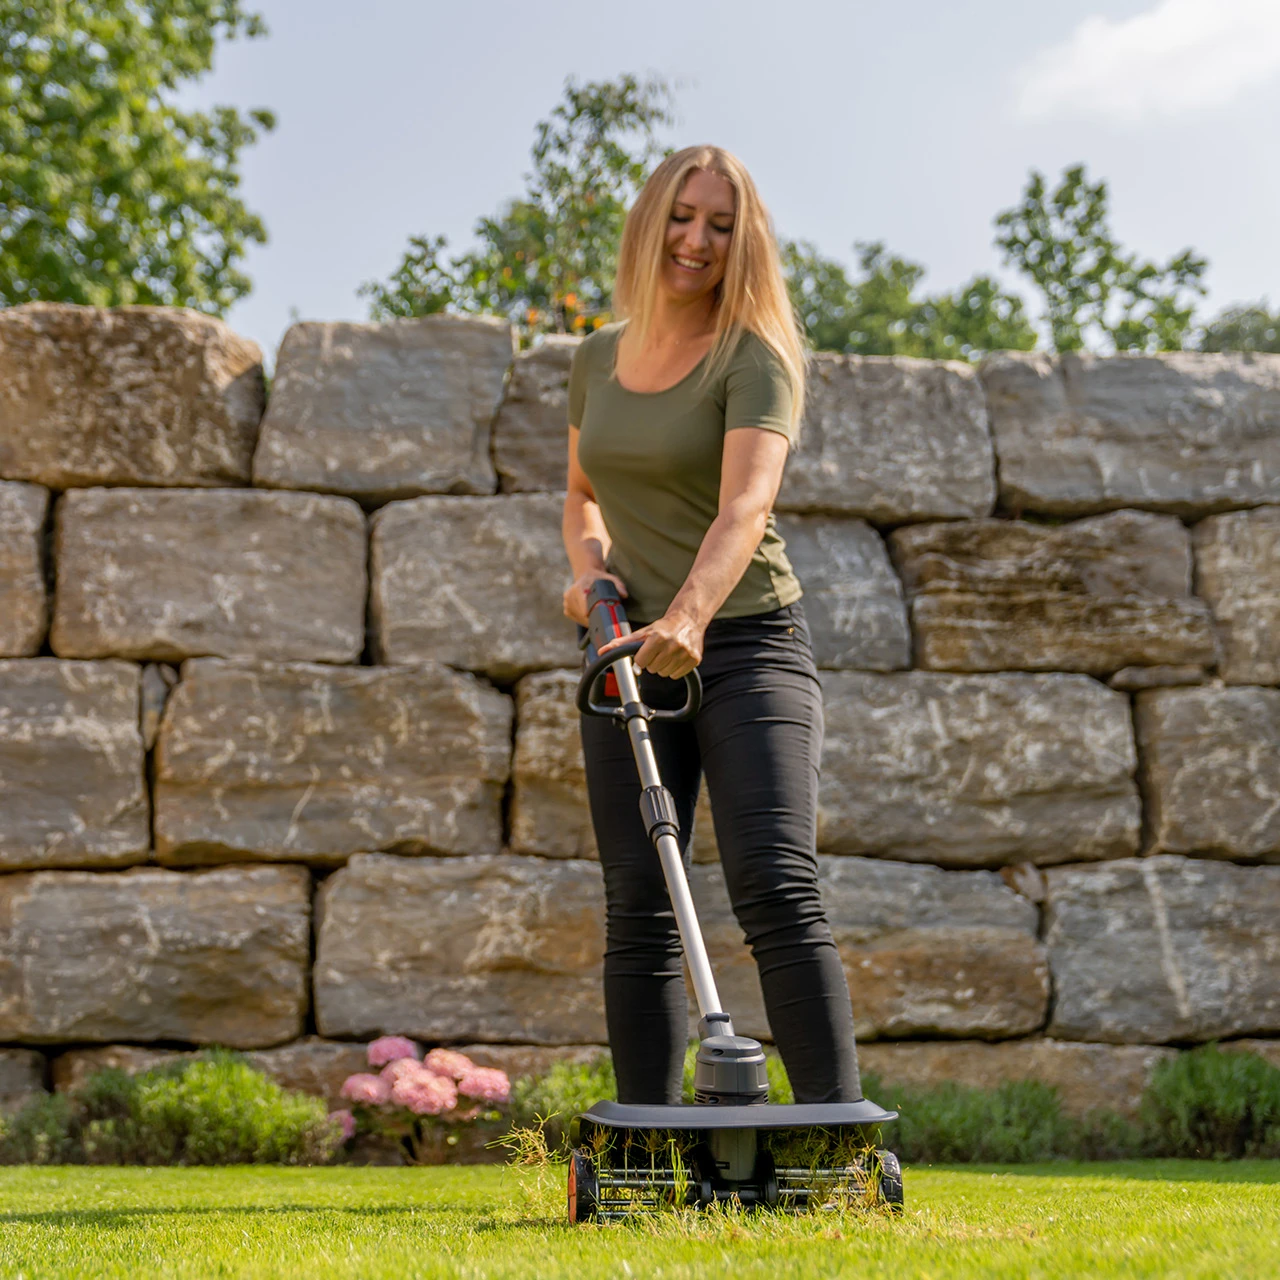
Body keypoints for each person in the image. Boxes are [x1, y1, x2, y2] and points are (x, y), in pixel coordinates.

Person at [560, 143, 861, 1108]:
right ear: (651, 223)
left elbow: (746, 507)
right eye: (683, 218)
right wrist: (588, 572)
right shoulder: (597, 357)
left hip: (746, 643)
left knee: (774, 882)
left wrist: (689, 614)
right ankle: (648, 1148)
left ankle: (835, 1140)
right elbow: (581, 493)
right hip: (626, 653)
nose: (697, 240)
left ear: (745, 242)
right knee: (641, 904)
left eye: (721, 226)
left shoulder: (753, 356)